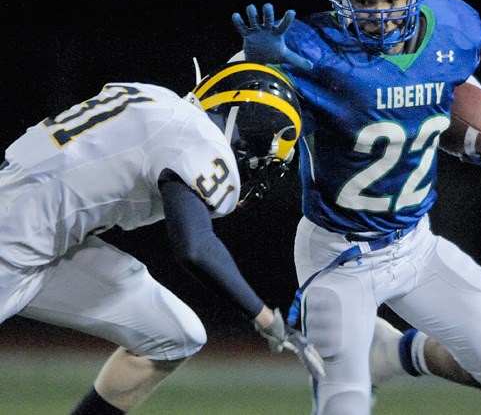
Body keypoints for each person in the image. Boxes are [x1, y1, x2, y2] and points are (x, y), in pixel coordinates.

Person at [230, 0, 481, 413]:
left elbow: (454, 76)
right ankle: (363, 357)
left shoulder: (451, 29)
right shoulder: (306, 49)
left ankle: (392, 353)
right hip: (338, 256)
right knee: (343, 406)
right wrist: (252, 64)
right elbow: (229, 103)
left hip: (417, 244)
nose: (379, 12)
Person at [0, 61, 324, 414]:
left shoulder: (155, 98)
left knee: (174, 334)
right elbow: (196, 247)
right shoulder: (200, 142)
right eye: (261, 161)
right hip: (11, 243)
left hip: (45, 240)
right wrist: (267, 320)